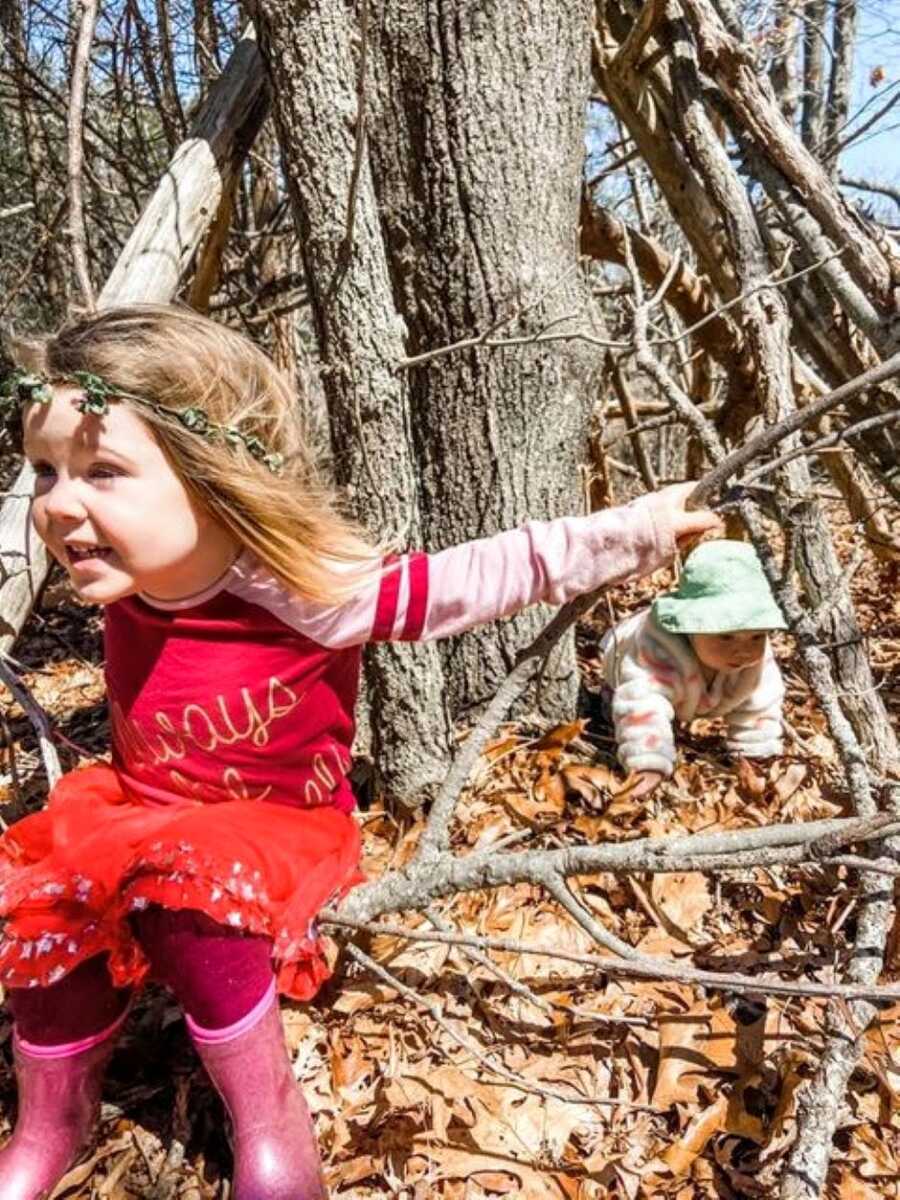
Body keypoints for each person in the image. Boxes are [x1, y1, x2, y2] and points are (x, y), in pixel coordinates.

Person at [0, 303, 721, 1200]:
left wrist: (634, 533)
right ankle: (50, 1119)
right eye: (44, 470)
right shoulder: (124, 571)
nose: (59, 503)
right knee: (46, 902)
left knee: (187, 884)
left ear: (213, 472)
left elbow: (474, 577)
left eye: (102, 470)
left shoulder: (298, 586)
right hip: (138, 809)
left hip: (272, 831)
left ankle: (267, 1120)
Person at [600, 539, 787, 799]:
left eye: (757, 636)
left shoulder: (757, 661)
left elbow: (760, 706)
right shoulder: (654, 650)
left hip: (693, 691)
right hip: (621, 653)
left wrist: (757, 755)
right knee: (620, 704)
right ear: (691, 625)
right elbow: (642, 702)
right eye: (726, 636)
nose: (743, 650)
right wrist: (648, 762)